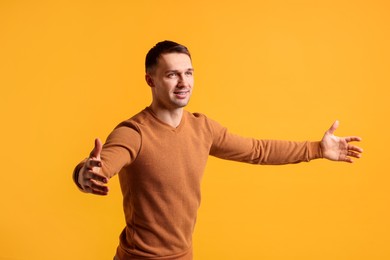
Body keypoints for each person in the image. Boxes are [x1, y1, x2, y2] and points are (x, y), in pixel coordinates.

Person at [72, 40, 363, 260]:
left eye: (188, 73)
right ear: (151, 80)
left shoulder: (203, 128)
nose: (184, 82)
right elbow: (104, 163)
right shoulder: (134, 132)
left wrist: (316, 148)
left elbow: (258, 150)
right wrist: (86, 173)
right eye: (172, 75)